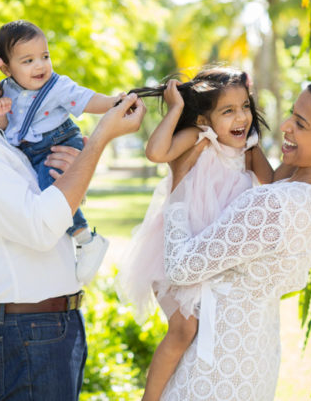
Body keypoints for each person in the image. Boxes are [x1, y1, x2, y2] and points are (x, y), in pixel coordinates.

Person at [0, 7, 145, 401]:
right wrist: (100, 140)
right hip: (23, 333)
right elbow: (37, 228)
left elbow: (43, 203)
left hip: (43, 328)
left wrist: (72, 171)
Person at [156, 79, 311, 400]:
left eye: (300, 124)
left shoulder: (272, 205)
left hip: (214, 369)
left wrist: (179, 183)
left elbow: (180, 268)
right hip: (256, 359)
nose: (285, 126)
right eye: (291, 115)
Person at [115, 67, 274, 401]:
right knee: (184, 328)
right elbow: (156, 153)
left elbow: (273, 188)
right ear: (204, 119)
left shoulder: (249, 149)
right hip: (172, 249)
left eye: (245, 106)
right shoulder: (199, 138)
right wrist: (175, 109)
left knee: (209, 330)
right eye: (228, 111)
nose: (241, 117)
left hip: (210, 258)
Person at [0, 20, 119, 284]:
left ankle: (86, 238)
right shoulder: (5, 91)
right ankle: (81, 240)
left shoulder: (57, 86)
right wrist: (0, 115)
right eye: (27, 61)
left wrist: (114, 103)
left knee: (54, 187)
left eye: (45, 56)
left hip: (61, 141)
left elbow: (86, 99)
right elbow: (5, 128)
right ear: (6, 68)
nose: (40, 66)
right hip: (31, 150)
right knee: (43, 194)